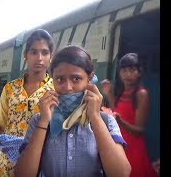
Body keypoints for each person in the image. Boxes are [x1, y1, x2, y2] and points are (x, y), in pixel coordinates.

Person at [14, 45, 131, 177]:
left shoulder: (105, 120)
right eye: (60, 79)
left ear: (90, 78)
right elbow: (22, 174)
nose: (68, 87)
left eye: (76, 79)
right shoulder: (39, 120)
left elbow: (121, 173)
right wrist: (44, 121)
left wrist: (95, 117)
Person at [0, 29, 55, 176]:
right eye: (34, 52)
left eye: (45, 53)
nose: (39, 58)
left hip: (36, 166)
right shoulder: (10, 88)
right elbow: (0, 123)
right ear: (25, 56)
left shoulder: (55, 91)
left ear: (51, 57)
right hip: (5, 165)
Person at [101, 53, 158, 177]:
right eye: (124, 70)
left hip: (134, 150)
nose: (127, 74)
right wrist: (109, 94)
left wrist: (120, 122)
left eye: (132, 70)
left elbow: (139, 131)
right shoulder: (123, 92)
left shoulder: (141, 94)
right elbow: (115, 113)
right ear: (120, 73)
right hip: (120, 145)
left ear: (139, 72)